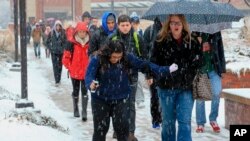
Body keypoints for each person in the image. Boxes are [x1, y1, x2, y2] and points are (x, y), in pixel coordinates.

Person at [85, 40, 178, 141]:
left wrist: (165, 70)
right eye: (114, 57)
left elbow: (144, 65)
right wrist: (90, 83)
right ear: (108, 53)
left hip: (121, 99)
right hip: (100, 100)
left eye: (119, 57)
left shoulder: (127, 58)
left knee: (122, 131)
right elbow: (89, 74)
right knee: (100, 131)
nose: (116, 59)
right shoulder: (98, 59)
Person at [149, 14, 201, 141]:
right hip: (166, 87)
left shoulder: (191, 40)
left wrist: (199, 48)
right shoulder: (160, 40)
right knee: (168, 123)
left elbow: (198, 63)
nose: (175, 26)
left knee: (184, 122)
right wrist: (157, 74)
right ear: (168, 24)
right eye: (172, 23)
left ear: (183, 24)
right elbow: (153, 62)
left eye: (178, 23)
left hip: (185, 87)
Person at [108, 14, 147, 141]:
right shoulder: (112, 38)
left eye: (127, 25)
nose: (125, 28)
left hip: (132, 77)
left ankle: (130, 132)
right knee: (117, 105)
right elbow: (105, 57)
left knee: (130, 105)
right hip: (116, 78)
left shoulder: (137, 38)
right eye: (122, 25)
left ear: (130, 25)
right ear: (118, 26)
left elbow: (145, 56)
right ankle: (117, 129)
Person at [193, 31, 226, 133]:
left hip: (214, 68)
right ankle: (200, 123)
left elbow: (220, 49)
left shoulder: (215, 32)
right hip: (200, 69)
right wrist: (198, 44)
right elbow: (188, 53)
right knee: (200, 98)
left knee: (216, 93)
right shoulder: (193, 33)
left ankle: (213, 119)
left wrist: (223, 68)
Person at [62, 22, 90, 121]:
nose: (82, 34)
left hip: (86, 73)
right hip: (75, 73)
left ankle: (84, 111)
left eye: (84, 32)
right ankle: (76, 109)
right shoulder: (71, 43)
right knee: (76, 91)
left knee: (85, 92)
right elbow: (65, 58)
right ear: (77, 32)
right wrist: (70, 68)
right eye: (80, 32)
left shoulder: (90, 43)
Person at [143, 17, 162, 129]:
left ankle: (165, 118)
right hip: (153, 69)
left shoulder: (172, 30)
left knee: (166, 96)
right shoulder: (149, 31)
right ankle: (156, 119)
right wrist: (148, 74)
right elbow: (145, 55)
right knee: (154, 96)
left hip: (167, 70)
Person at [46, 20, 67, 86]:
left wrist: (63, 48)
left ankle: (59, 79)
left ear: (61, 26)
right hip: (54, 52)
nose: (58, 27)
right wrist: (51, 48)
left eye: (59, 25)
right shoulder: (51, 33)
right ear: (55, 26)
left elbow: (66, 42)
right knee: (55, 67)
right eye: (57, 25)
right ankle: (56, 81)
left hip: (61, 53)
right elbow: (47, 42)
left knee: (60, 67)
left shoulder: (63, 33)